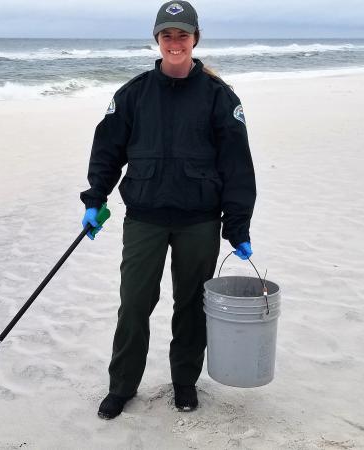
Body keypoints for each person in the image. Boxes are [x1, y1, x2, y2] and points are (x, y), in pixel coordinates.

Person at [80, 0, 256, 420]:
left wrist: (238, 226)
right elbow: (107, 150)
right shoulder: (133, 94)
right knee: (134, 304)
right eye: (166, 35)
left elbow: (237, 166)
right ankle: (122, 387)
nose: (174, 43)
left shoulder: (219, 97)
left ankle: (184, 384)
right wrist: (95, 199)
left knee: (191, 305)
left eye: (182, 35)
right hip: (145, 218)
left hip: (199, 220)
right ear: (156, 40)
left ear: (195, 39)